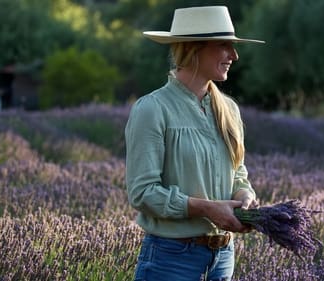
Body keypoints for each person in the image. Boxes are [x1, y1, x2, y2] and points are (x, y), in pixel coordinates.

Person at [125, 6, 264, 281]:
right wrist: (207, 208)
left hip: (224, 257)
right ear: (194, 49)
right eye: (225, 46)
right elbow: (142, 193)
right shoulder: (152, 110)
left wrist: (244, 196)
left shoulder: (229, 110)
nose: (234, 56)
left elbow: (237, 173)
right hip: (171, 260)